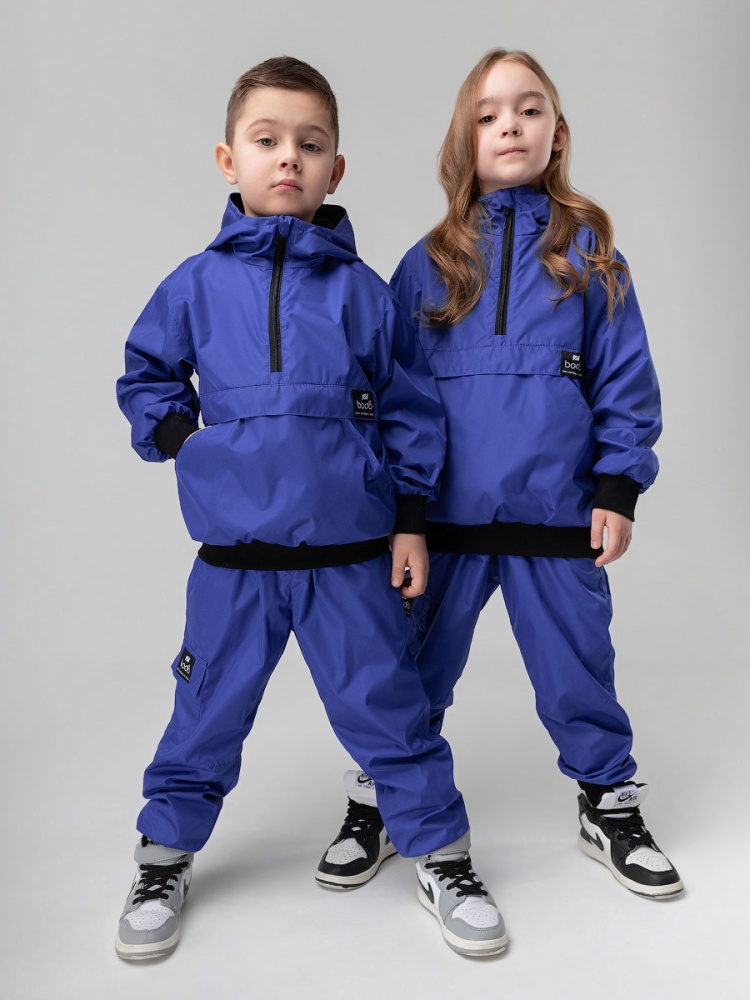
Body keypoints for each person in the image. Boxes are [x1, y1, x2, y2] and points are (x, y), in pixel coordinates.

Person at [114, 55, 508, 962]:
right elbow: (145, 376)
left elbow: (412, 411)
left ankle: (442, 857)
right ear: (230, 159)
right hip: (236, 563)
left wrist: (411, 520)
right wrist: (187, 444)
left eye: (311, 143)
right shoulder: (195, 285)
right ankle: (163, 856)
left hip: (348, 561)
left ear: (336, 168)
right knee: (205, 715)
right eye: (267, 140)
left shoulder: (364, 293)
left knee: (391, 712)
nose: (288, 157)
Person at [317, 48, 683, 904]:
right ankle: (383, 793)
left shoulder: (590, 255)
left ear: (557, 132)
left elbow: (626, 379)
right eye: (488, 116)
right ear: (464, 142)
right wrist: (396, 510)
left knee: (578, 669)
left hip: (555, 516)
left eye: (529, 108)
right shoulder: (426, 263)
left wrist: (618, 487)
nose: (509, 126)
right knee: (409, 670)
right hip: (440, 523)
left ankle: (607, 799)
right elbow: (390, 395)